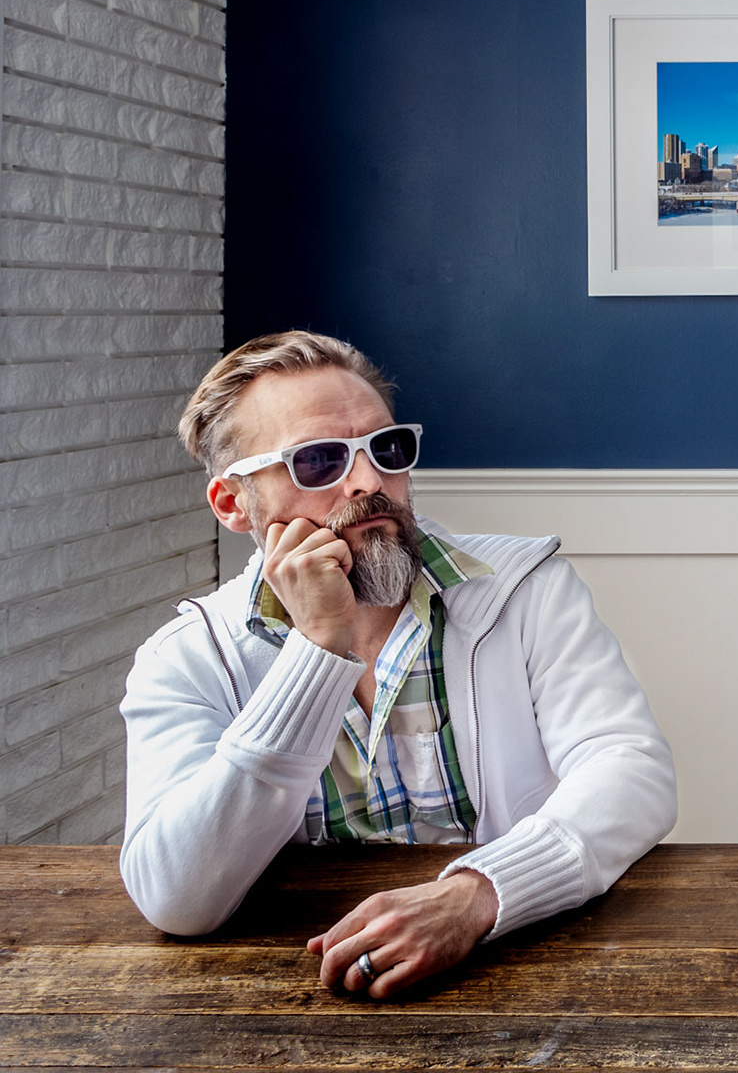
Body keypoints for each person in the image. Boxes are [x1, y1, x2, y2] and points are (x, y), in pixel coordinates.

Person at [119, 331, 676, 998]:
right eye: (319, 460)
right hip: (289, 989)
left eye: (386, 449)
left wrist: (478, 896)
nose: (370, 481)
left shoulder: (525, 588)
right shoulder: (186, 660)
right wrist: (318, 648)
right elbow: (178, 898)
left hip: (523, 963)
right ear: (233, 504)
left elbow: (631, 769)